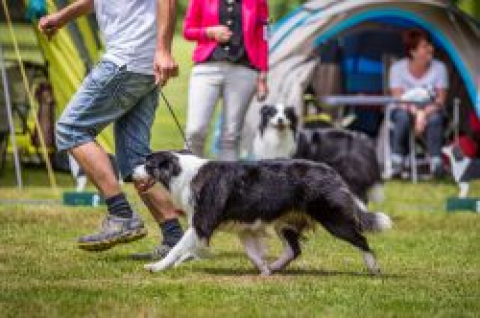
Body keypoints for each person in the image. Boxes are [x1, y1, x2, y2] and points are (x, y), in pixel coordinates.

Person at [38, 0, 184, 259]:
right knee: (135, 160)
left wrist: (164, 49)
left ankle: (120, 214)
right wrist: (62, 17)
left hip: (127, 60)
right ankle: (176, 241)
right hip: (142, 65)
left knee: (71, 129)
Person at [183, 0, 269, 160]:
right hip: (206, 69)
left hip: (244, 71)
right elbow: (187, 31)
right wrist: (209, 32)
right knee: (195, 131)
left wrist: (263, 72)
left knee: (230, 137)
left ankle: (227, 184)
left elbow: (264, 36)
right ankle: (190, 178)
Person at [389, 28, 449, 178]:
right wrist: (417, 113)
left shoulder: (440, 68)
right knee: (402, 117)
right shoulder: (397, 69)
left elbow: (440, 100)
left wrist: (423, 113)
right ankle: (397, 161)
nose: (430, 49)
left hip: (431, 110)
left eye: (430, 45)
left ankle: (436, 163)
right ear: (413, 52)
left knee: (435, 118)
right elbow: (399, 99)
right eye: (424, 46)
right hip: (405, 109)